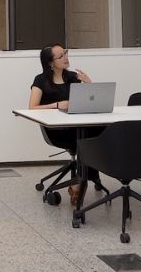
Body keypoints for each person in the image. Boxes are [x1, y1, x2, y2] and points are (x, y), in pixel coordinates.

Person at [27, 44, 99, 206]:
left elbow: (91, 101)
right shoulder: (41, 80)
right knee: (86, 140)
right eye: (60, 56)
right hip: (56, 130)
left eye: (65, 53)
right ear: (50, 62)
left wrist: (88, 83)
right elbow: (32, 107)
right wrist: (57, 104)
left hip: (77, 126)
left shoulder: (73, 77)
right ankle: (82, 180)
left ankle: (82, 178)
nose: (66, 58)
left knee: (98, 132)